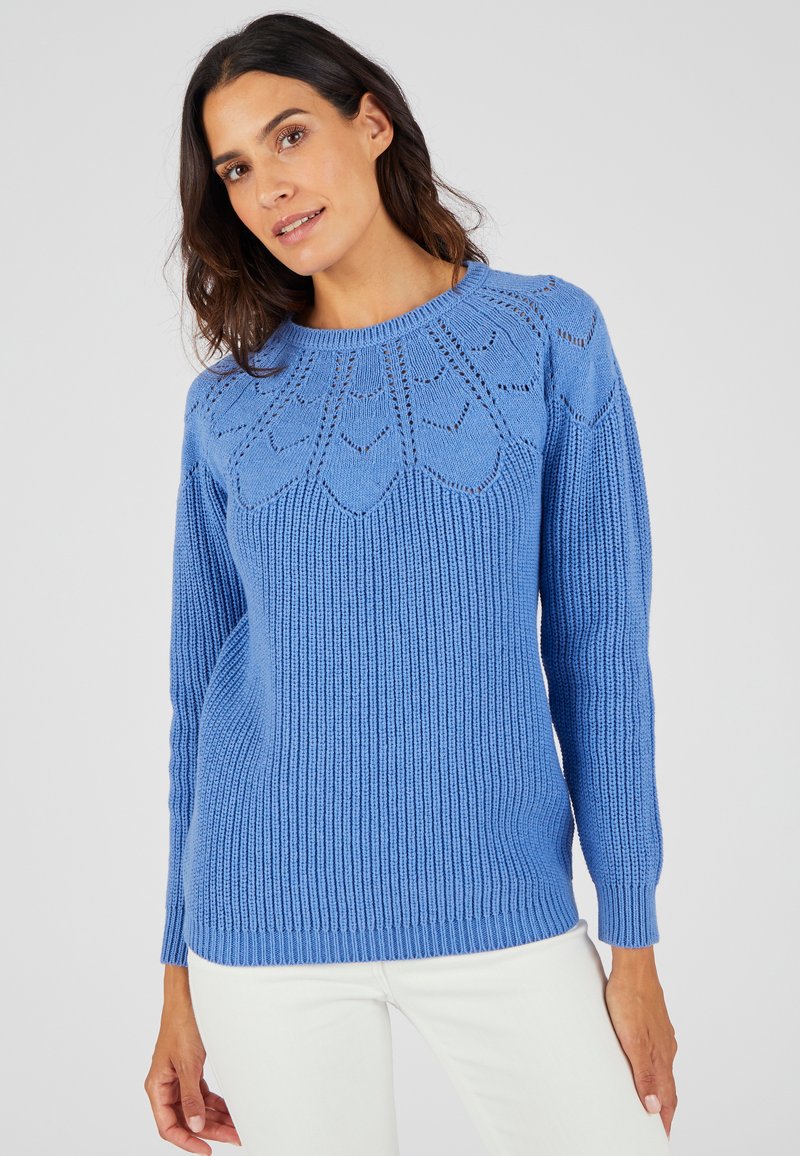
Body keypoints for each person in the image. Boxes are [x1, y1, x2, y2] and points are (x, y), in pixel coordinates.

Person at [143, 12, 678, 1155]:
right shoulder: (226, 409)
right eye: (234, 169)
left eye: (290, 136)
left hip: (499, 901)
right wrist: (176, 975)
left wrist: (630, 939)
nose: (268, 188)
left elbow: (599, 649)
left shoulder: (545, 338)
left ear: (371, 123)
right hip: (261, 921)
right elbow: (197, 699)